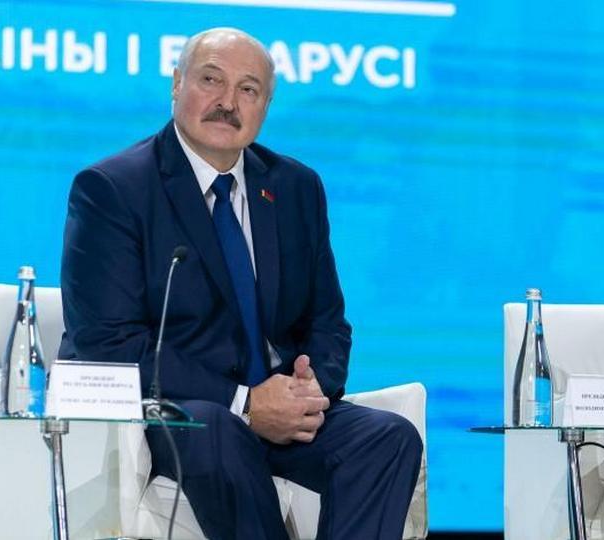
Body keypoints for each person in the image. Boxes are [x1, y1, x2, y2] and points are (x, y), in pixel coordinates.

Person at [58, 27, 422, 540]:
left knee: (387, 437)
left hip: (279, 408)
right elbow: (107, 343)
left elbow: (328, 322)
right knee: (216, 430)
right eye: (211, 80)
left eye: (248, 90)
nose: (228, 102)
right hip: (180, 412)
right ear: (177, 83)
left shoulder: (295, 187)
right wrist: (246, 402)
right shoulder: (114, 189)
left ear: (265, 106)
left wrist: (310, 390)